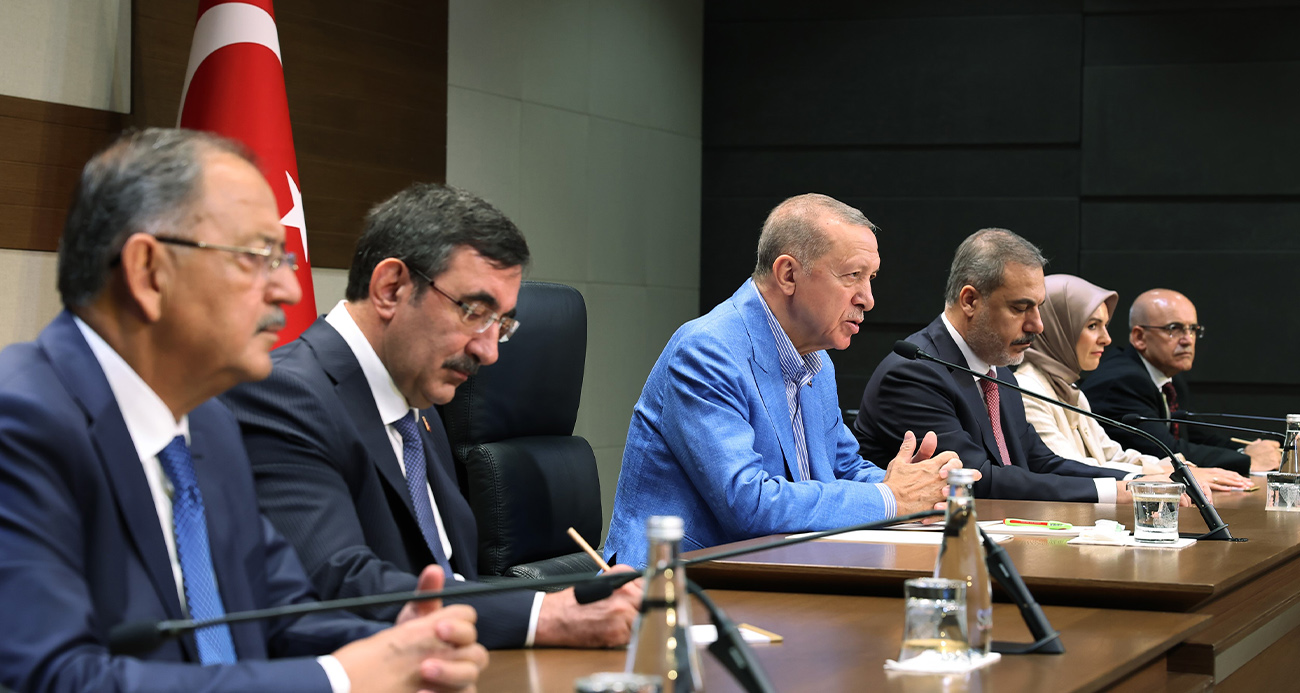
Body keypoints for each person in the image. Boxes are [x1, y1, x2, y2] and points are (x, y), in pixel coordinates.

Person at [0, 128, 485, 693]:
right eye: (258, 257)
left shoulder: (210, 425)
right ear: (149, 272)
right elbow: (51, 678)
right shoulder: (22, 424)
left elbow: (280, 615)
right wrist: (338, 678)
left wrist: (404, 644)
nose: (288, 289)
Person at [221, 183, 640, 650]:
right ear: (391, 289)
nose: (489, 352)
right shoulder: (283, 394)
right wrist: (544, 616)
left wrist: (568, 602)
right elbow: (338, 585)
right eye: (474, 313)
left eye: (500, 325)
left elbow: (453, 576)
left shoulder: (419, 400)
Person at [603, 193, 964, 568]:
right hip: (677, 579)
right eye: (852, 276)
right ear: (788, 274)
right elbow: (748, 504)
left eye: (870, 278)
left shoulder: (816, 361)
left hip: (775, 570)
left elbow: (843, 469)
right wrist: (891, 498)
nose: (868, 299)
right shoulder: (707, 352)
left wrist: (916, 485)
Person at [854, 228, 1154, 503]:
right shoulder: (914, 372)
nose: (1037, 325)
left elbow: (1040, 462)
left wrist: (1137, 481)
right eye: (1020, 308)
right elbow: (974, 480)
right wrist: (1112, 493)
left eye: (1039, 307)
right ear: (970, 300)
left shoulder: (1000, 374)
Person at [1017, 275, 1249, 492]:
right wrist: (1163, 477)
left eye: (1105, 326)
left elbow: (1112, 455)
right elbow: (1069, 468)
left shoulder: (1070, 390)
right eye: (1092, 326)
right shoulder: (1027, 390)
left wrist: (1177, 468)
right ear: (1056, 328)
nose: (1106, 338)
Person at [1080, 289, 1276, 476]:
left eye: (1193, 329)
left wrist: (1247, 449)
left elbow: (1198, 436)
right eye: (1174, 329)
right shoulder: (1122, 381)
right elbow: (1166, 451)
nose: (1188, 340)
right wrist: (1247, 459)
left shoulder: (1169, 380)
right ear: (1139, 337)